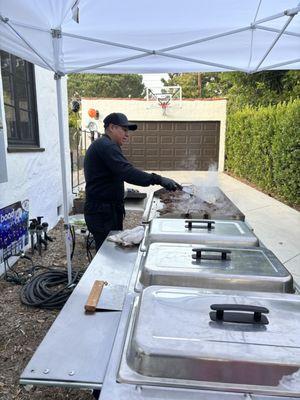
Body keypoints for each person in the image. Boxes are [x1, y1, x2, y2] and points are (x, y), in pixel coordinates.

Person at [84, 112, 182, 251]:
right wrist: (158, 179)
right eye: (124, 130)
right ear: (111, 127)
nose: (127, 134)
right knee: (108, 253)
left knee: (110, 250)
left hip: (105, 210)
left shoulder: (105, 144)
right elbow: (127, 172)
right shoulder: (106, 146)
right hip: (102, 212)